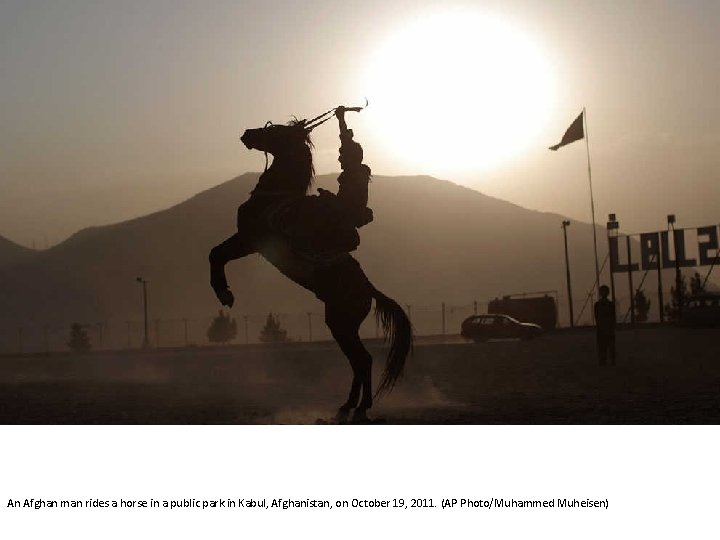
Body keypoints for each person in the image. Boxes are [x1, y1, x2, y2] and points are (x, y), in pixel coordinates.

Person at [594, 285, 616, 365]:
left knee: (608, 346)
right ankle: (604, 360)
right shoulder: (598, 305)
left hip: (607, 328)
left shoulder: (609, 304)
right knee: (603, 346)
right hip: (603, 328)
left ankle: (608, 360)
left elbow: (612, 316)